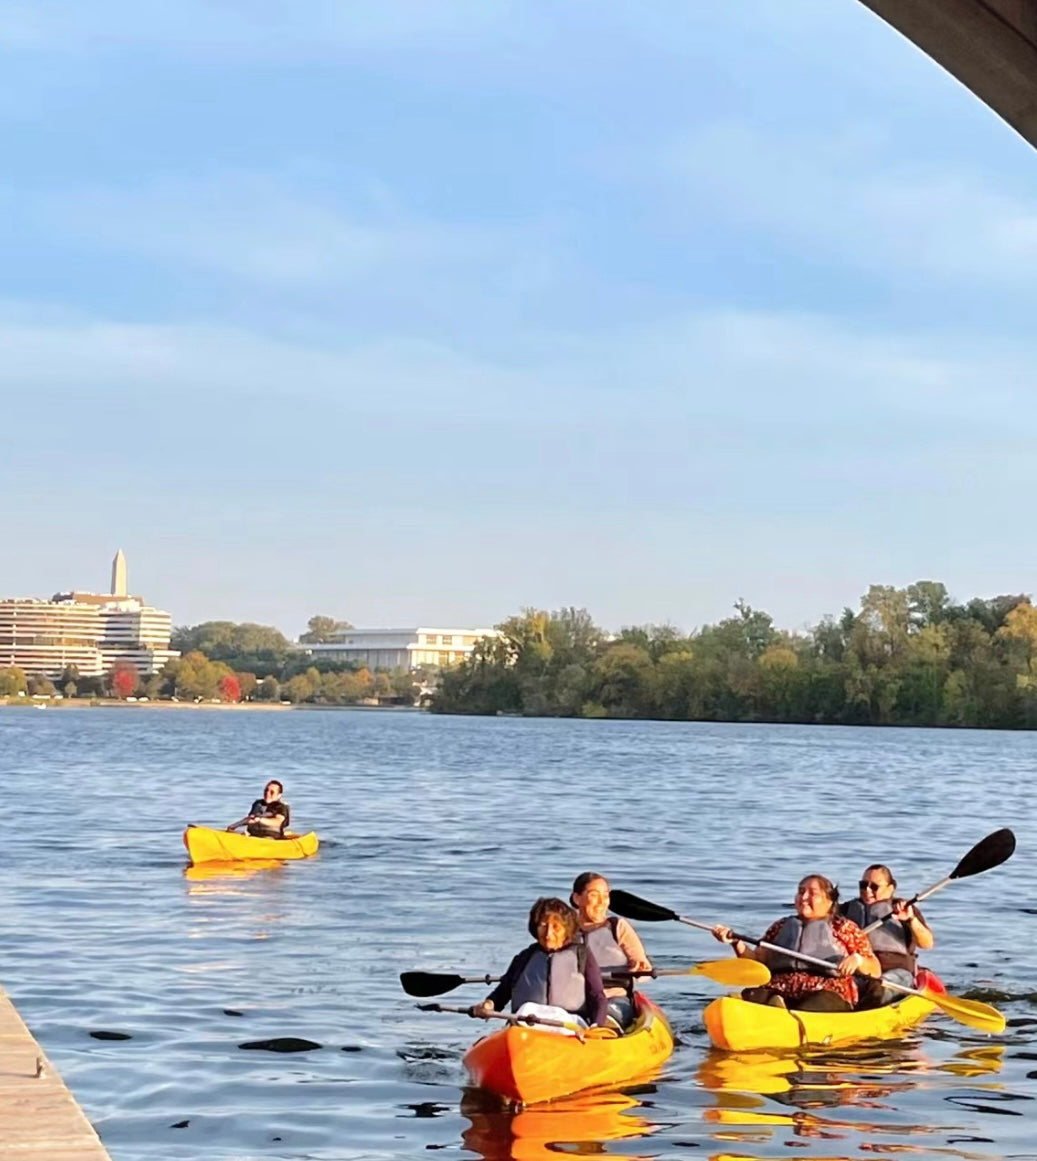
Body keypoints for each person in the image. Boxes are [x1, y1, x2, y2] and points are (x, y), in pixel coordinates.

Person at [712, 874, 881, 1011]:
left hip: (826, 993)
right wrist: (736, 942)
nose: (804, 897)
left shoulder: (844, 928)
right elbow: (758, 962)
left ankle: (786, 1015)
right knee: (753, 995)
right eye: (800, 892)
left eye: (812, 893)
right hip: (779, 989)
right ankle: (774, 1009)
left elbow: (875, 969)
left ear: (829, 901)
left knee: (816, 1004)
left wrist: (857, 960)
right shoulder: (780, 926)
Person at [471, 897, 609, 1029]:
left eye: (556, 927)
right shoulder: (525, 957)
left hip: (568, 1025)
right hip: (526, 1024)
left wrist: (597, 1026)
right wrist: (488, 1005)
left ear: (566, 930)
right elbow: (503, 992)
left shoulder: (582, 956)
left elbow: (597, 996)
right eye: (543, 925)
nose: (548, 934)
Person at [841, 864, 934, 1007]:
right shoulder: (846, 910)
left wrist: (910, 920)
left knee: (877, 987)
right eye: (863, 885)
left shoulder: (904, 909)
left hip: (896, 972)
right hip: (859, 972)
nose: (867, 890)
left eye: (874, 887)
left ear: (891, 888)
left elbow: (927, 944)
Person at [571, 871, 651, 1028]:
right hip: (574, 999)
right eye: (594, 895)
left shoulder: (617, 927)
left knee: (605, 1016)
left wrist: (640, 967)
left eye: (606, 895)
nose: (602, 902)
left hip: (613, 998)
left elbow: (643, 967)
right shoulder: (563, 929)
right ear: (577, 898)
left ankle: (603, 1031)